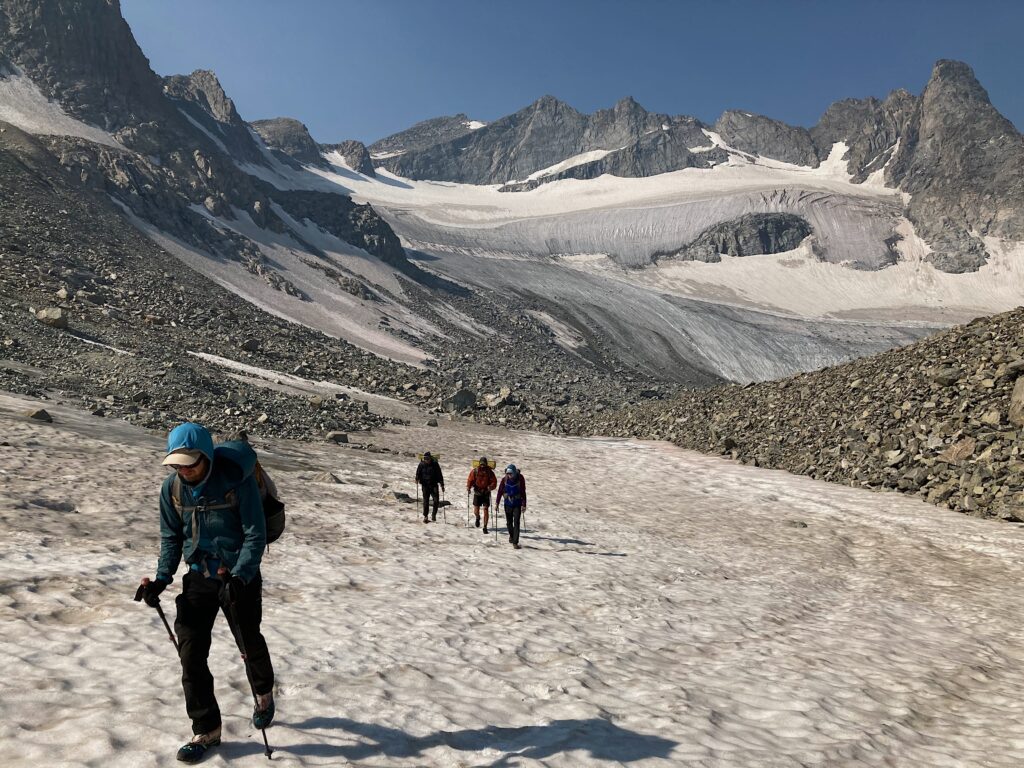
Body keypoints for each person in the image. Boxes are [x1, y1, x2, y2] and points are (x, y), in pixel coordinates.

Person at [137, 422, 275, 764]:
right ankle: (206, 729)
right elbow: (171, 537)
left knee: (248, 640)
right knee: (191, 653)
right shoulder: (172, 490)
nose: (184, 470)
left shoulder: (236, 484)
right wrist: (161, 579)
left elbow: (255, 535)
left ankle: (263, 694)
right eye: (178, 464)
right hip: (198, 577)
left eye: (191, 463)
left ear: (207, 457)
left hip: (237, 577)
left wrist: (241, 577)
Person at [495, 463, 527, 549]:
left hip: (517, 503)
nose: (509, 475)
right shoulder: (504, 480)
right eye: (508, 474)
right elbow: (500, 491)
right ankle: (512, 536)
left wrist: (524, 504)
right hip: (507, 504)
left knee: (516, 522)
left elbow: (523, 492)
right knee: (509, 523)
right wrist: (497, 503)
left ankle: (515, 542)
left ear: (514, 473)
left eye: (511, 473)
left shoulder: (520, 479)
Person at [466, 456, 498, 533]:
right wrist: (468, 487)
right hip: (477, 492)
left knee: (486, 509)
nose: (482, 465)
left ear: (486, 464)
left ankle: (485, 527)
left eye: (484, 464)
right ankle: (477, 517)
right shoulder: (475, 471)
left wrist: (491, 487)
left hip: (486, 492)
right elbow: (470, 480)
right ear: (479, 464)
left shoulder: (490, 472)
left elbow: (494, 482)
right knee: (476, 511)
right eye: (481, 464)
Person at [415, 451, 445, 523]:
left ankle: (434, 514)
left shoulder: (435, 464)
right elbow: (418, 472)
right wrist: (417, 479)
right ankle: (425, 516)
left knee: (436, 501)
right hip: (425, 485)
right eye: (425, 458)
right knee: (426, 501)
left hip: (434, 485)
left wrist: (442, 484)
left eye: (427, 458)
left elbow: (439, 475)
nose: (426, 460)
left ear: (430, 458)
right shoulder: (421, 464)